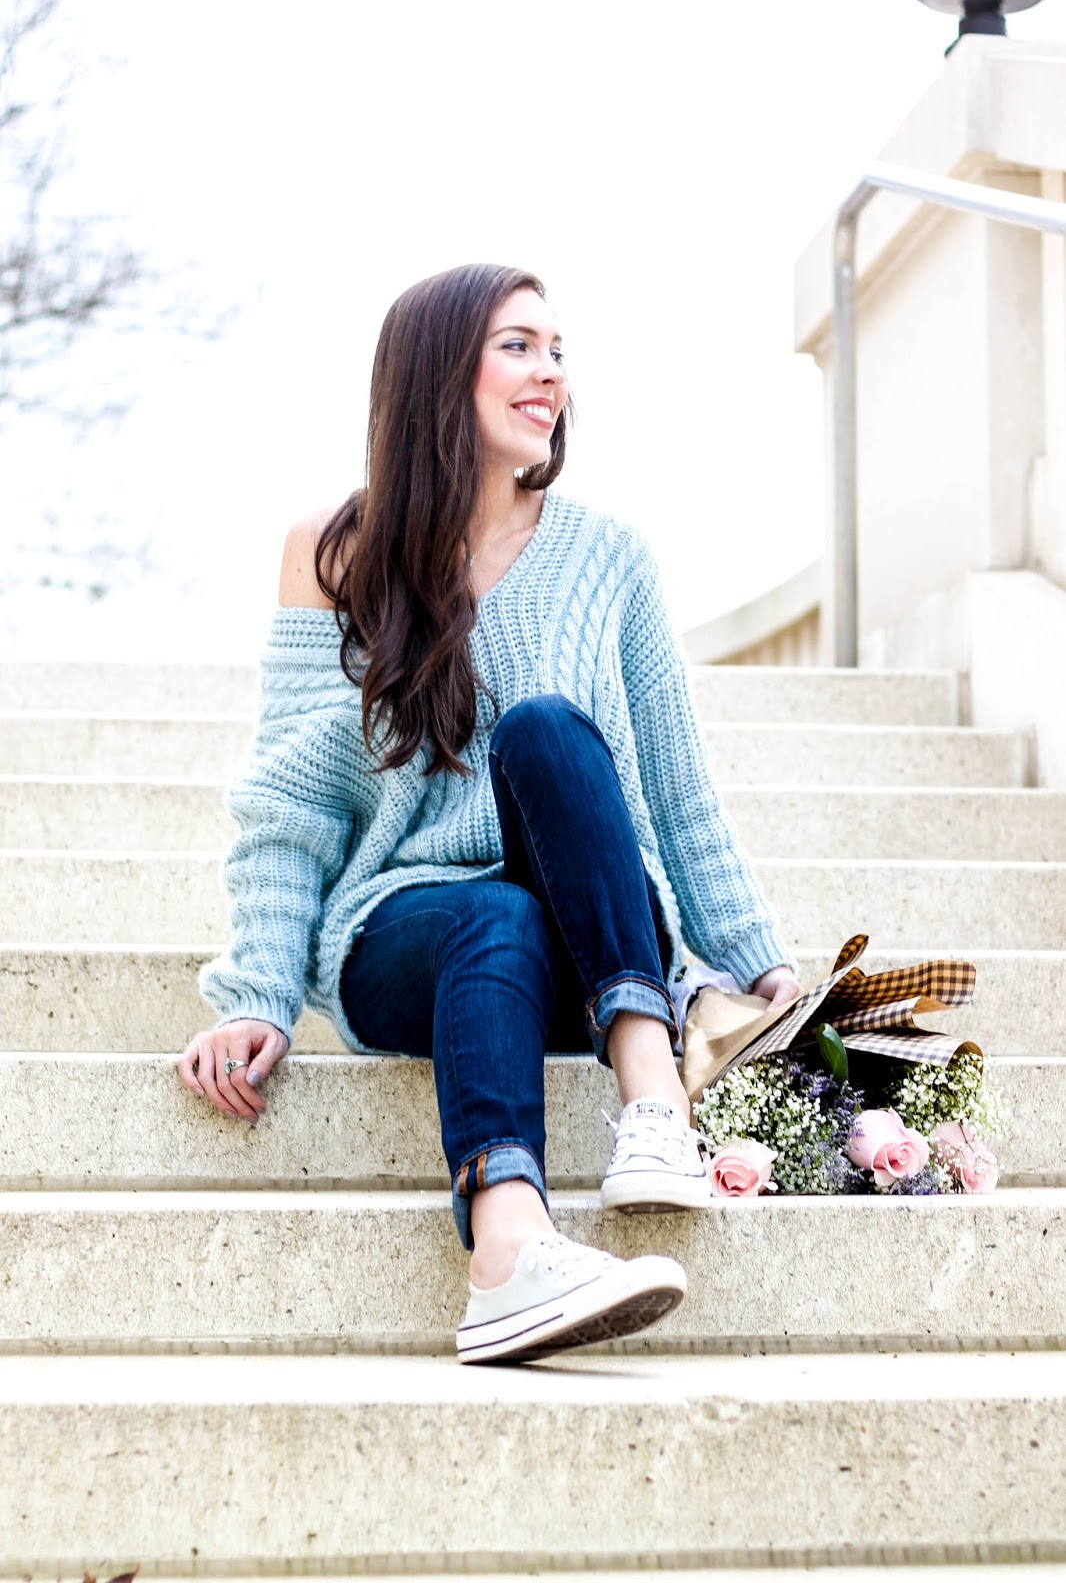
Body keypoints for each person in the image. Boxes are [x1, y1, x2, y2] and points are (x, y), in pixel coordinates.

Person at [178, 263, 800, 1364]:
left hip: (587, 944)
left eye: (557, 350)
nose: (549, 372)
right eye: (518, 345)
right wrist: (262, 990)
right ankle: (509, 1250)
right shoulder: (336, 554)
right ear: (436, 371)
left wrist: (761, 964)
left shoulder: (607, 556)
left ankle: (651, 1102)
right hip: (405, 931)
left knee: (551, 731)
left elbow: (674, 785)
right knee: (487, 916)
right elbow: (295, 798)